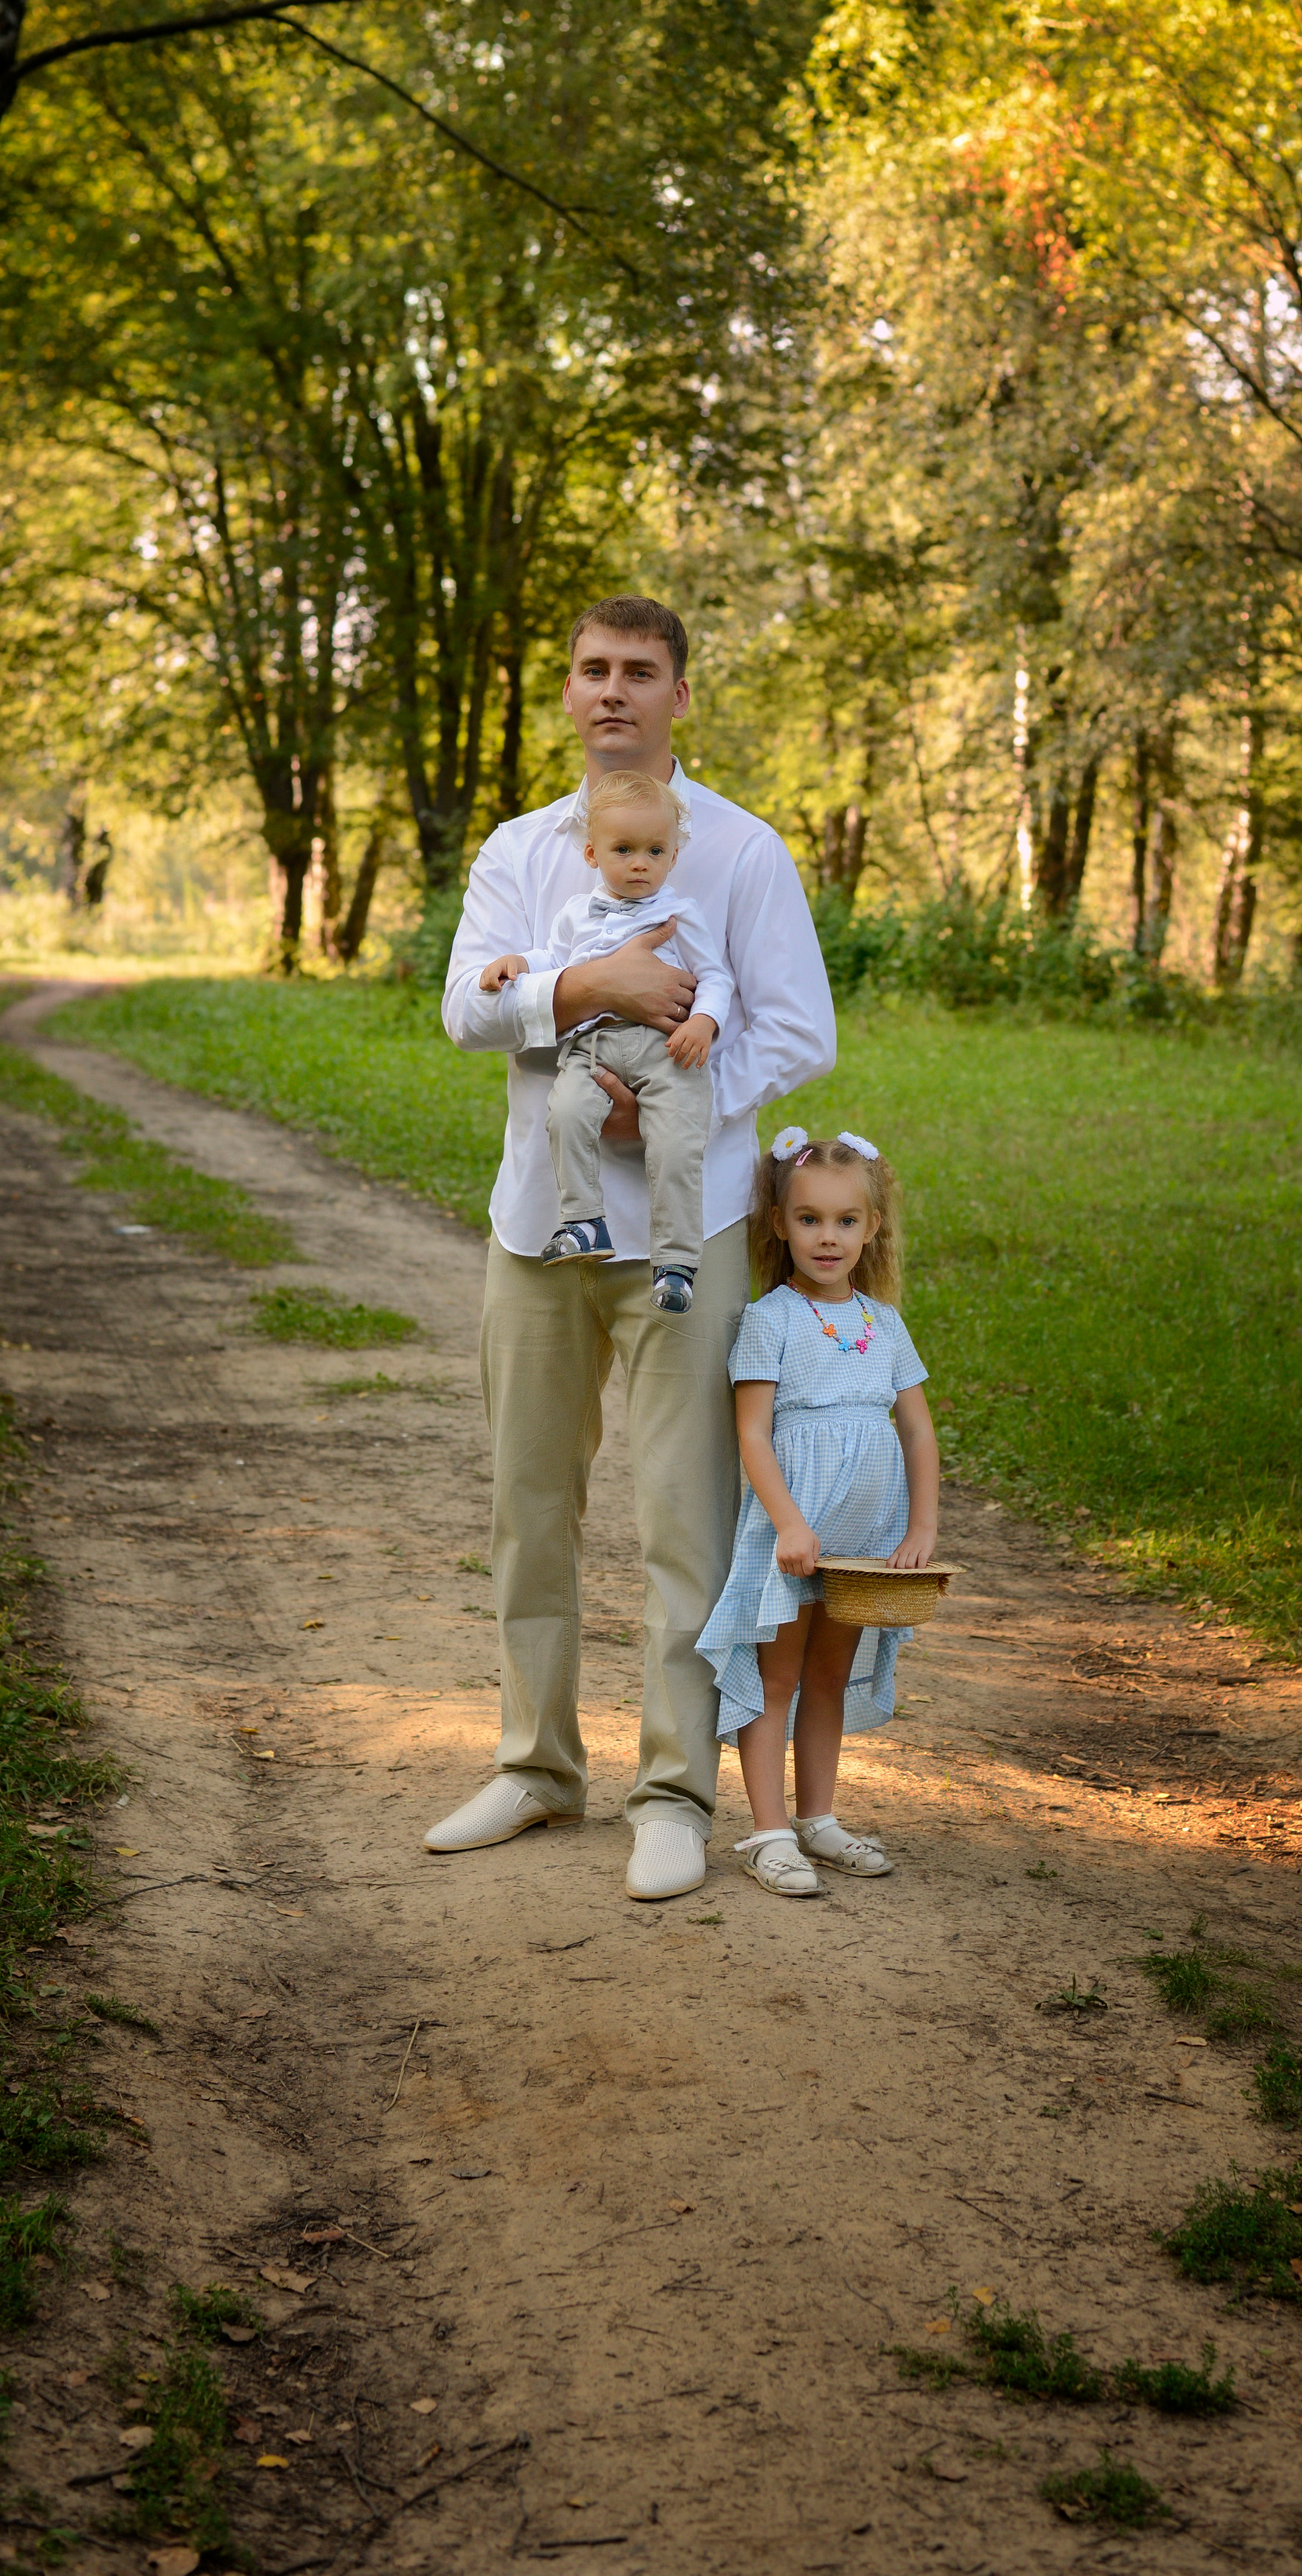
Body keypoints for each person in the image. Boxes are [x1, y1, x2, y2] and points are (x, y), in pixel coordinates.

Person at [429, 598, 836, 1901]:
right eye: (594, 669)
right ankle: (537, 1766)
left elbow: (795, 1030)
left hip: (691, 1220)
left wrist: (663, 1097)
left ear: (676, 693)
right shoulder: (521, 847)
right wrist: (589, 994)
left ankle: (673, 1791)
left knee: (686, 1519)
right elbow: (464, 1008)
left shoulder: (743, 850)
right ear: (568, 689)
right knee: (528, 1505)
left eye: (640, 672)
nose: (615, 690)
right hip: (535, 1219)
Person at [697, 1126, 941, 1897]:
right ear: (779, 1224)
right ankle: (768, 1833)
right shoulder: (772, 1319)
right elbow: (751, 1433)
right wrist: (789, 1525)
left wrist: (922, 1529)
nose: (827, 1237)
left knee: (830, 1677)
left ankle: (818, 1819)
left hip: (864, 1542)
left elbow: (918, 1429)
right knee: (776, 1679)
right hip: (793, 1537)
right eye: (808, 1219)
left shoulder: (884, 1324)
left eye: (844, 1221)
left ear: (873, 1229)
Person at [478, 768, 736, 1315]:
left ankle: (676, 1264)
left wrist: (703, 1023)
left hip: (666, 1050)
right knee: (566, 1115)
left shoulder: (679, 914)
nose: (640, 863)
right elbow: (558, 962)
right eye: (624, 849)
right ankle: (584, 1223)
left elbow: (715, 977)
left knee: (674, 1145)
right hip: (592, 1046)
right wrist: (517, 964)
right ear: (593, 854)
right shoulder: (576, 914)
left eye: (655, 850)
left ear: (671, 856)